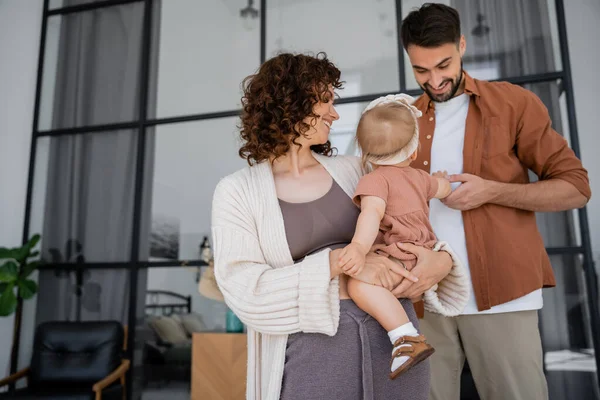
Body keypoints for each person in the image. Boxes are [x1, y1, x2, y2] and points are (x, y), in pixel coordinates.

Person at [211, 52, 463, 400]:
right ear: (291, 105)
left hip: (399, 347)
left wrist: (441, 260)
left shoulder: (357, 170)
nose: (335, 112)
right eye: (325, 100)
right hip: (313, 358)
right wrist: (340, 263)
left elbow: (411, 225)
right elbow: (245, 292)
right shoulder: (237, 192)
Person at [397, 4, 592, 400]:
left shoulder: (513, 104)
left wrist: (493, 191)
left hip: (502, 296)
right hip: (424, 301)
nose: (434, 80)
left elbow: (576, 186)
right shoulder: (401, 121)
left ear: (462, 45)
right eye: (421, 70)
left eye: (443, 65)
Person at [338, 94, 469, 380]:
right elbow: (443, 188)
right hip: (423, 252)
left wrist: (359, 248)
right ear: (413, 152)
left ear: (366, 155)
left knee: (357, 286)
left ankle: (405, 337)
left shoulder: (374, 180)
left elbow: (370, 216)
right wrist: (446, 181)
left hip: (399, 255)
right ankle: (405, 334)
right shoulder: (421, 178)